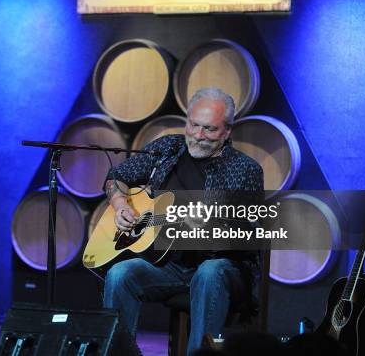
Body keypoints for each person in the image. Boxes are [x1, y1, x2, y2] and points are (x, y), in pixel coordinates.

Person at [103, 88, 264, 355]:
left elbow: (248, 234)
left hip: (223, 268)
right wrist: (120, 204)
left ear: (227, 132)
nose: (199, 136)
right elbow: (115, 176)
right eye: (194, 125)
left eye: (210, 130)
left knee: (209, 272)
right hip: (168, 266)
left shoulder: (245, 170)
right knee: (121, 274)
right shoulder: (167, 148)